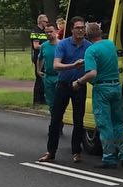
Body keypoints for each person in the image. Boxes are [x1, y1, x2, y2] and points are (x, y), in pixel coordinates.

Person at [73, 21, 123, 168]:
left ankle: (109, 158)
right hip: (115, 86)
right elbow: (106, 60)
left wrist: (79, 82)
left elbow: (92, 73)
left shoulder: (90, 51)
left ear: (87, 35)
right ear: (100, 32)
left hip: (102, 89)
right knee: (118, 123)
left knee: (105, 125)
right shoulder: (110, 44)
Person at [38, 17, 89, 164]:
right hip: (63, 84)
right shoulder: (64, 44)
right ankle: (50, 151)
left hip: (79, 85)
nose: (80, 30)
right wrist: (73, 65)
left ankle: (76, 152)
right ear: (71, 29)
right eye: (77, 28)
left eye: (82, 28)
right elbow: (56, 65)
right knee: (56, 118)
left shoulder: (88, 46)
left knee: (78, 120)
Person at [39, 23, 59, 111]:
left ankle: (59, 117)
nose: (49, 34)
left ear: (56, 31)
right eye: (47, 32)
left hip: (59, 76)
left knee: (60, 100)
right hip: (48, 76)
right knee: (50, 101)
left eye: (51, 31)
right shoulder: (44, 46)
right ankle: (53, 119)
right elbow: (40, 58)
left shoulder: (62, 44)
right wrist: (38, 70)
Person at [30, 14, 49, 105]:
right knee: (39, 78)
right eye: (46, 21)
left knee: (43, 78)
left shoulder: (43, 31)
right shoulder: (36, 31)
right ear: (41, 21)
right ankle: (37, 100)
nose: (47, 23)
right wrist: (47, 46)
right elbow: (36, 46)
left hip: (43, 57)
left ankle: (42, 99)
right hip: (38, 57)